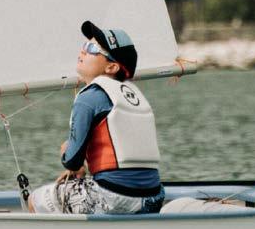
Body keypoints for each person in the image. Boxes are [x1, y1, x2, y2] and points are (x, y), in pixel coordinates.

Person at [28, 20, 164, 214]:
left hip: (114, 197)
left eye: (92, 48)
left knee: (36, 199)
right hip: (153, 197)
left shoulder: (89, 96)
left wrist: (66, 152)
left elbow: (72, 161)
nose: (83, 51)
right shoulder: (134, 95)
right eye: (85, 45)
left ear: (111, 67)